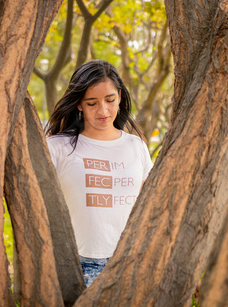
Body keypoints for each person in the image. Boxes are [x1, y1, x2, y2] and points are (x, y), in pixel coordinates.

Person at [45, 60, 153, 286]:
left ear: (120, 96)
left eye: (110, 100)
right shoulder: (57, 147)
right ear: (79, 105)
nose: (103, 110)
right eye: (92, 103)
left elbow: (147, 207)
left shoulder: (137, 146)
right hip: (77, 265)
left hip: (130, 262)